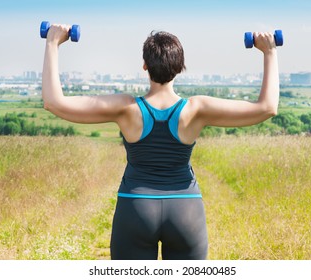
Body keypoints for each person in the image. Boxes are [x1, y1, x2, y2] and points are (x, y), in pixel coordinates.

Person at [42, 25, 279, 260]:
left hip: (135, 207)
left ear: (145, 66)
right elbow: (267, 107)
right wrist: (269, 52)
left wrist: (52, 42)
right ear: (180, 67)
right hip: (186, 211)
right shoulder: (197, 109)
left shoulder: (126, 108)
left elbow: (54, 102)